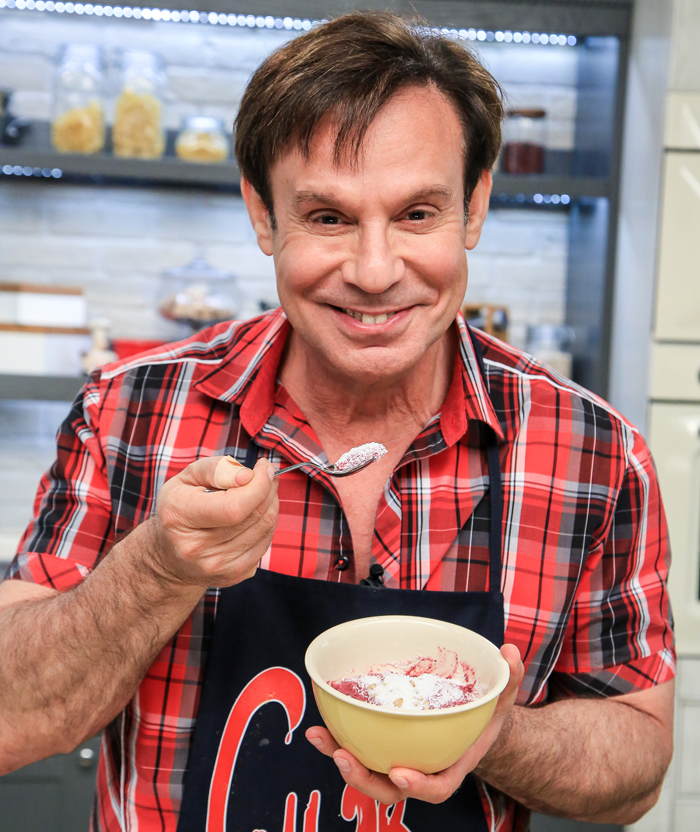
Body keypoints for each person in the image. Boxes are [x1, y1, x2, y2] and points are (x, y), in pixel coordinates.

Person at [0, 12, 674, 832]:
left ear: (475, 206)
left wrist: (493, 734)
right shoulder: (127, 412)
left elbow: (637, 765)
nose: (375, 271)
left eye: (418, 214)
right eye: (328, 217)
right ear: (262, 214)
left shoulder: (595, 453)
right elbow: (9, 719)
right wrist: (157, 570)